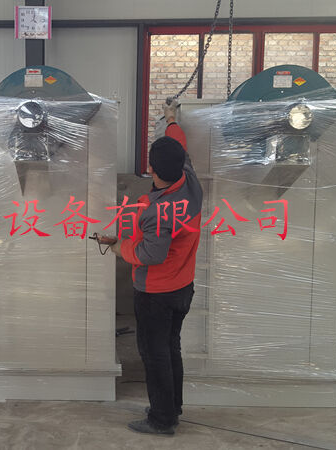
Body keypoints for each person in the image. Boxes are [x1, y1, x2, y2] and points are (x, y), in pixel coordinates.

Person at [99, 99, 203, 435]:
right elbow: (179, 145)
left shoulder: (158, 211)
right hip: (183, 286)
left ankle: (161, 420)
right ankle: (172, 407)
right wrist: (171, 119)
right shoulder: (189, 182)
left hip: (157, 293)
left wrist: (118, 247)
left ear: (152, 170)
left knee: (154, 353)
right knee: (171, 347)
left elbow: (151, 254)